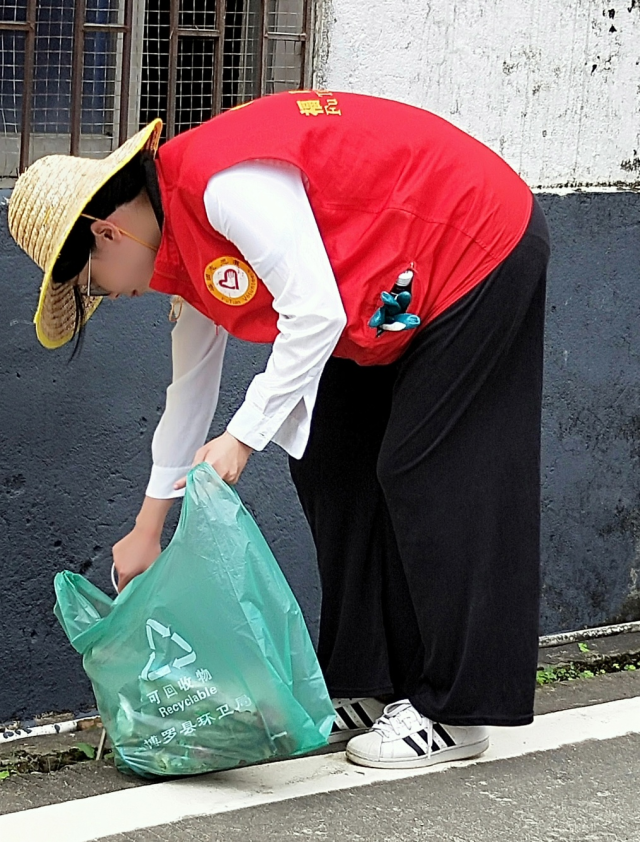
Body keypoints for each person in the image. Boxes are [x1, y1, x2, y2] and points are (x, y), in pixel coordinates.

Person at [8, 90, 550, 770]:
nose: (108, 297)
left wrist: (244, 436)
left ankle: (456, 711)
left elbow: (315, 313)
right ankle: (371, 680)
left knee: (427, 470)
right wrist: (149, 528)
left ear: (106, 232)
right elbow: (190, 394)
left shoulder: (220, 188)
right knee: (329, 460)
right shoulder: (177, 248)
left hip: (473, 238)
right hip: (385, 289)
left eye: (92, 283)